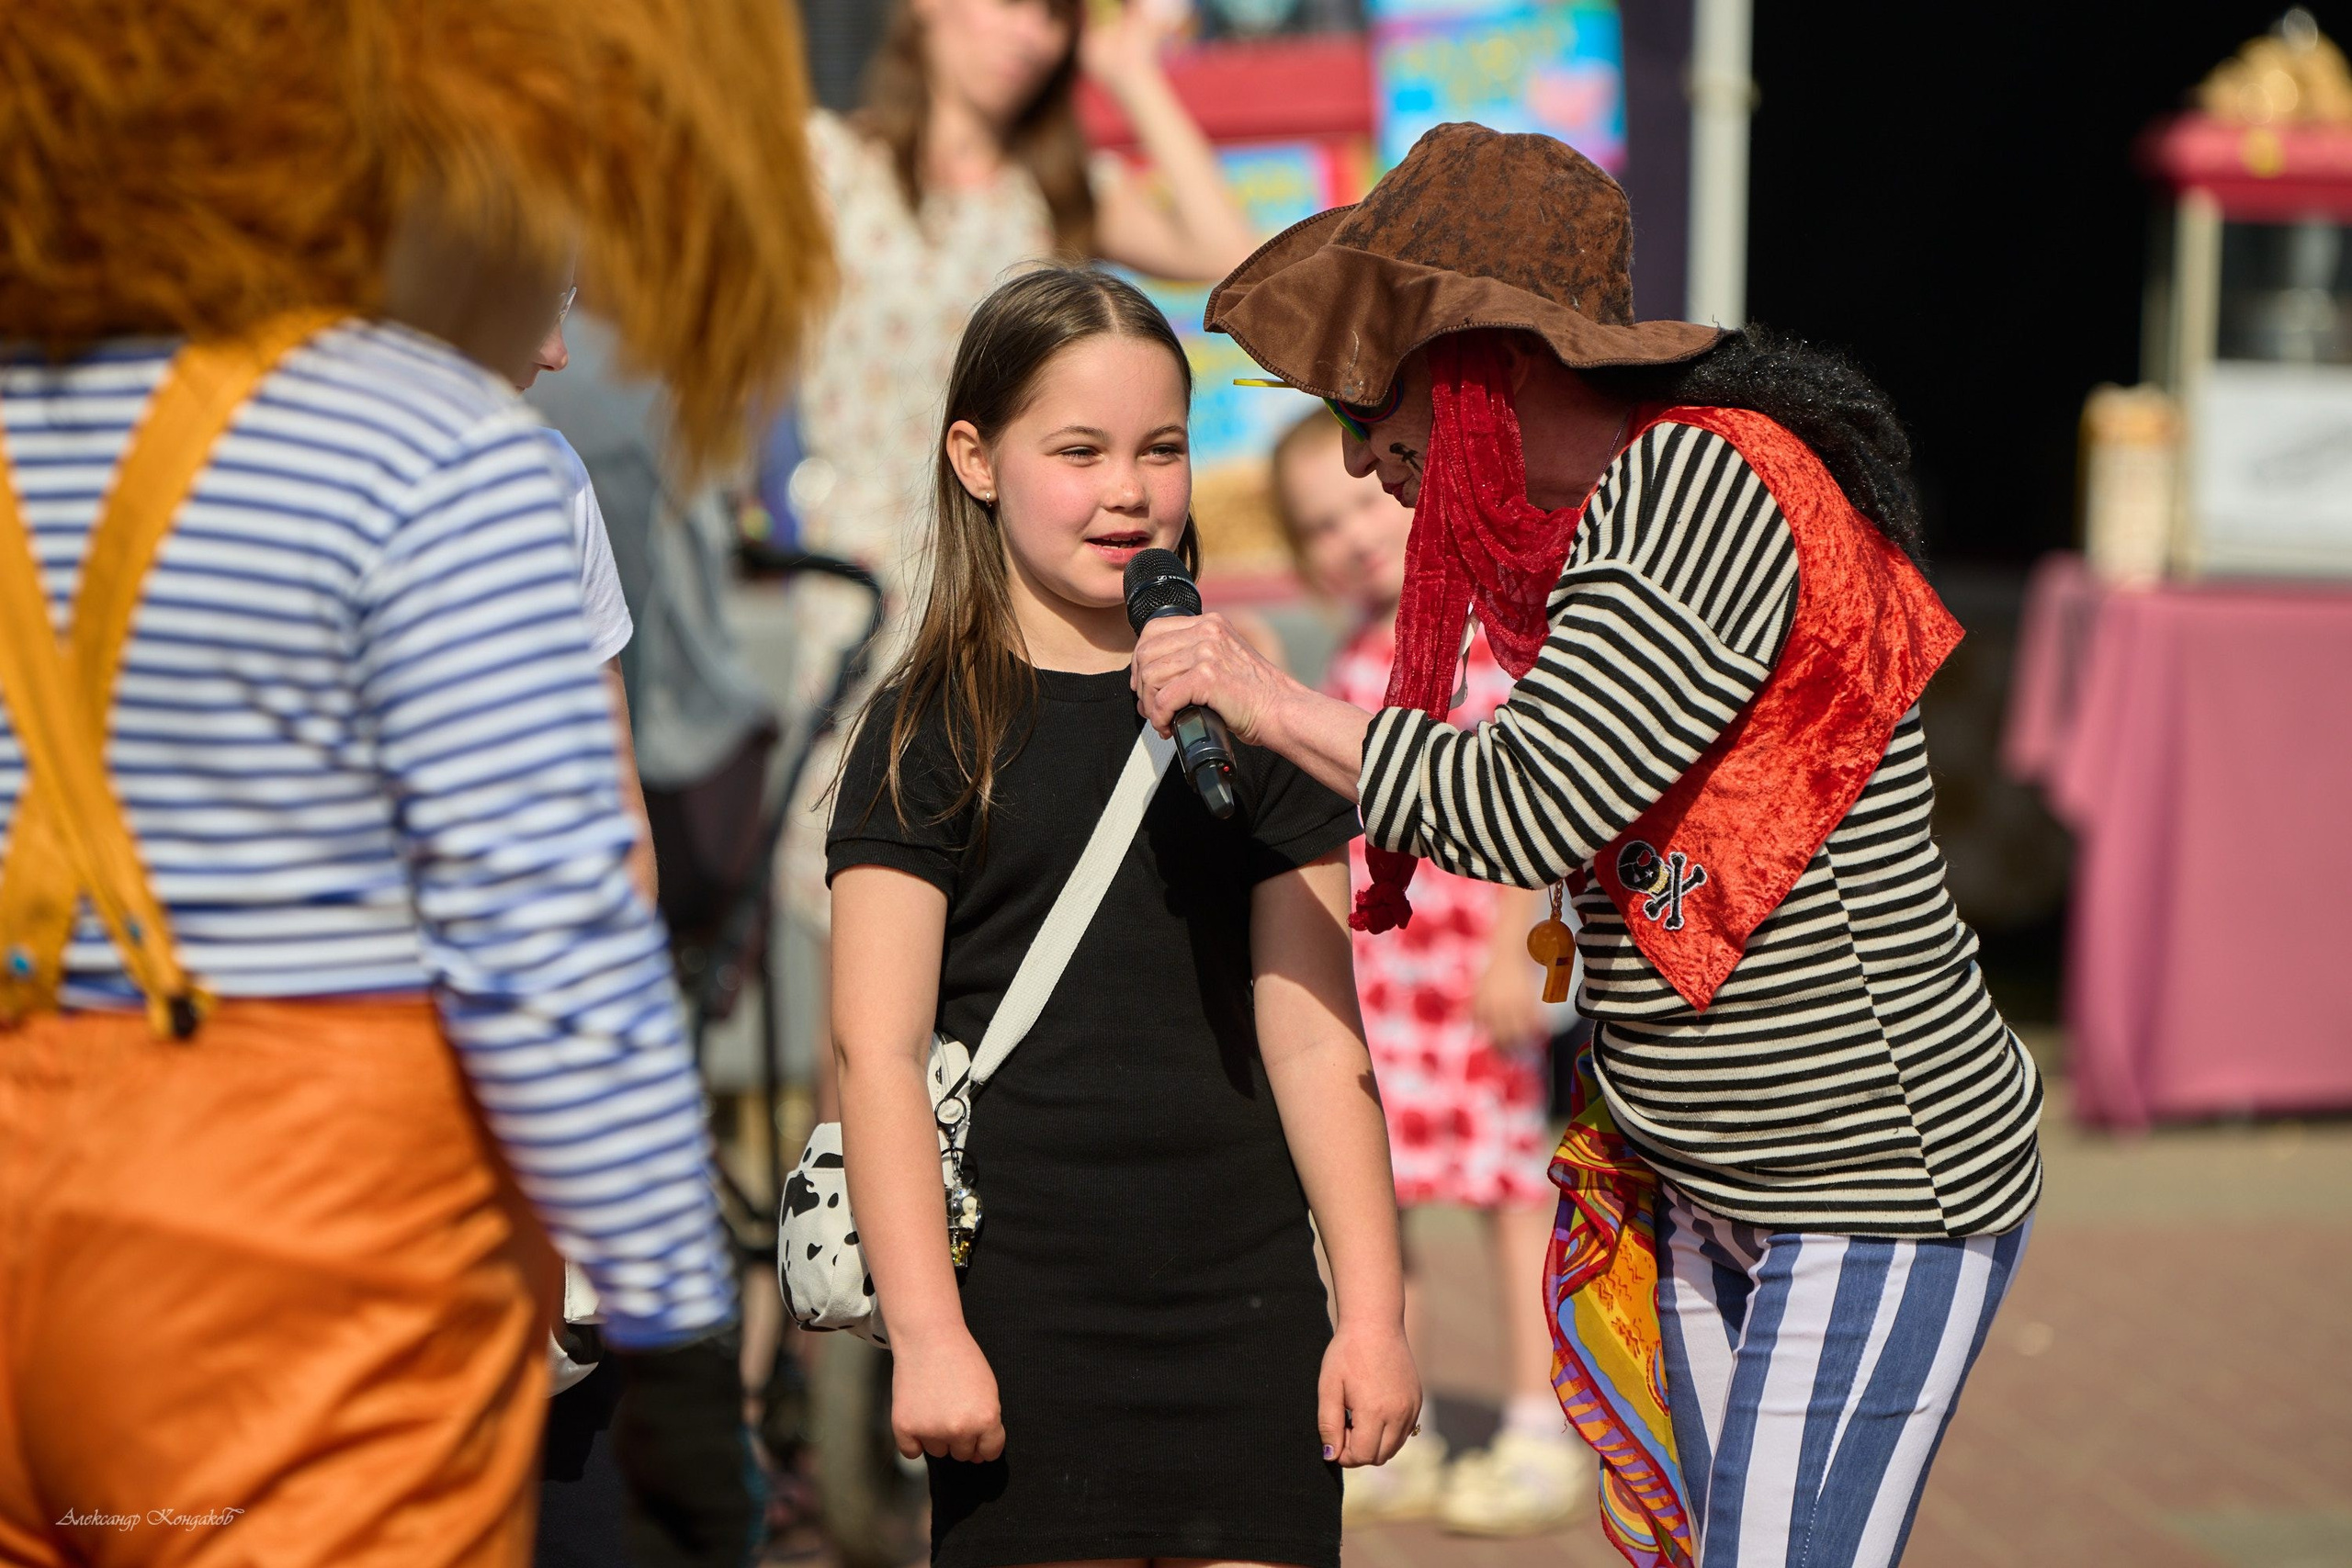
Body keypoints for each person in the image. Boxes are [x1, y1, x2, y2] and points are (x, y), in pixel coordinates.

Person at [1133, 125, 2042, 1568]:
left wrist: (1260, 695)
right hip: (1706, 1178)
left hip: (1869, 1187)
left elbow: (1521, 802)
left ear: (1494, 359)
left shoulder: (1699, 485)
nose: (1367, 451)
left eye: (1378, 394)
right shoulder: (1609, 517)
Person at [0, 3, 831, 1564]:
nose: (564, 340)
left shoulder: (29, 408)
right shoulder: (445, 451)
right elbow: (551, 929)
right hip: (295, 1239)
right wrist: (670, 1339)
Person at [826, 266, 1418, 1568]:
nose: (1129, 490)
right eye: (1078, 449)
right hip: (1020, 1315)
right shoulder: (929, 728)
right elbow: (875, 1050)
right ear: (975, 459)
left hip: (1246, 1309)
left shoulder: (1255, 706)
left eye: (1162, 448)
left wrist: (1371, 1309)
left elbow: (1319, 1038)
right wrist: (928, 1333)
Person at [782, 0, 1256, 930]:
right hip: (865, 586)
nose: (1027, 37)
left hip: (1019, 587)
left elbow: (1235, 259)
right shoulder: (825, 162)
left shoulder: (1056, 187)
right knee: (868, 926)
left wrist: (1130, 75)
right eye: (1009, 6)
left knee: (1008, 895)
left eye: (1054, 19)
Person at [1269, 412, 1594, 1536]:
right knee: (1374, 1197)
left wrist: (1518, 944)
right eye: (1318, 525)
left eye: (1362, 501)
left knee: (1509, 1201)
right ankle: (1385, 1415)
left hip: (1470, 978)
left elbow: (1535, 800)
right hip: (1380, 984)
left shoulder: (1484, 636)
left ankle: (1542, 1423)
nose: (1351, 535)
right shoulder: (1362, 649)